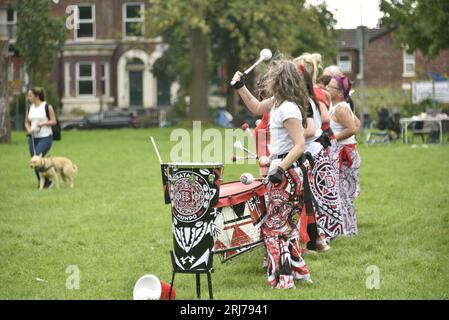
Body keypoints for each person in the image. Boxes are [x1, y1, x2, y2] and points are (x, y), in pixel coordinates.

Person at [232, 59, 312, 289]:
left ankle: (282, 280)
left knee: (273, 227)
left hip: (286, 172)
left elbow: (299, 145)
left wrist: (279, 169)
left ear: (282, 80)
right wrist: (241, 87)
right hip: (284, 170)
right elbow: (256, 107)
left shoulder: (287, 108)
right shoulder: (278, 102)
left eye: (272, 76)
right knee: (284, 225)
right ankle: (299, 272)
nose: (268, 79)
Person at [327, 75, 361, 236]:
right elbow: (358, 123)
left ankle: (349, 231)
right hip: (343, 153)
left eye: (331, 86)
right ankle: (344, 229)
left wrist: (331, 138)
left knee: (344, 194)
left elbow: (353, 128)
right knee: (340, 193)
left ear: (340, 92)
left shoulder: (340, 108)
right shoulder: (339, 106)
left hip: (345, 156)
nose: (327, 87)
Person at [24, 87, 57, 189]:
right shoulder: (30, 108)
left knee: (36, 158)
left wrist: (44, 123)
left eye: (30, 95)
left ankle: (47, 181)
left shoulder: (47, 107)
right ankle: (44, 182)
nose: (28, 97)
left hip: (46, 137)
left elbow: (54, 121)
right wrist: (28, 129)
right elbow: (26, 122)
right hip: (33, 138)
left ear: (37, 96)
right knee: (34, 160)